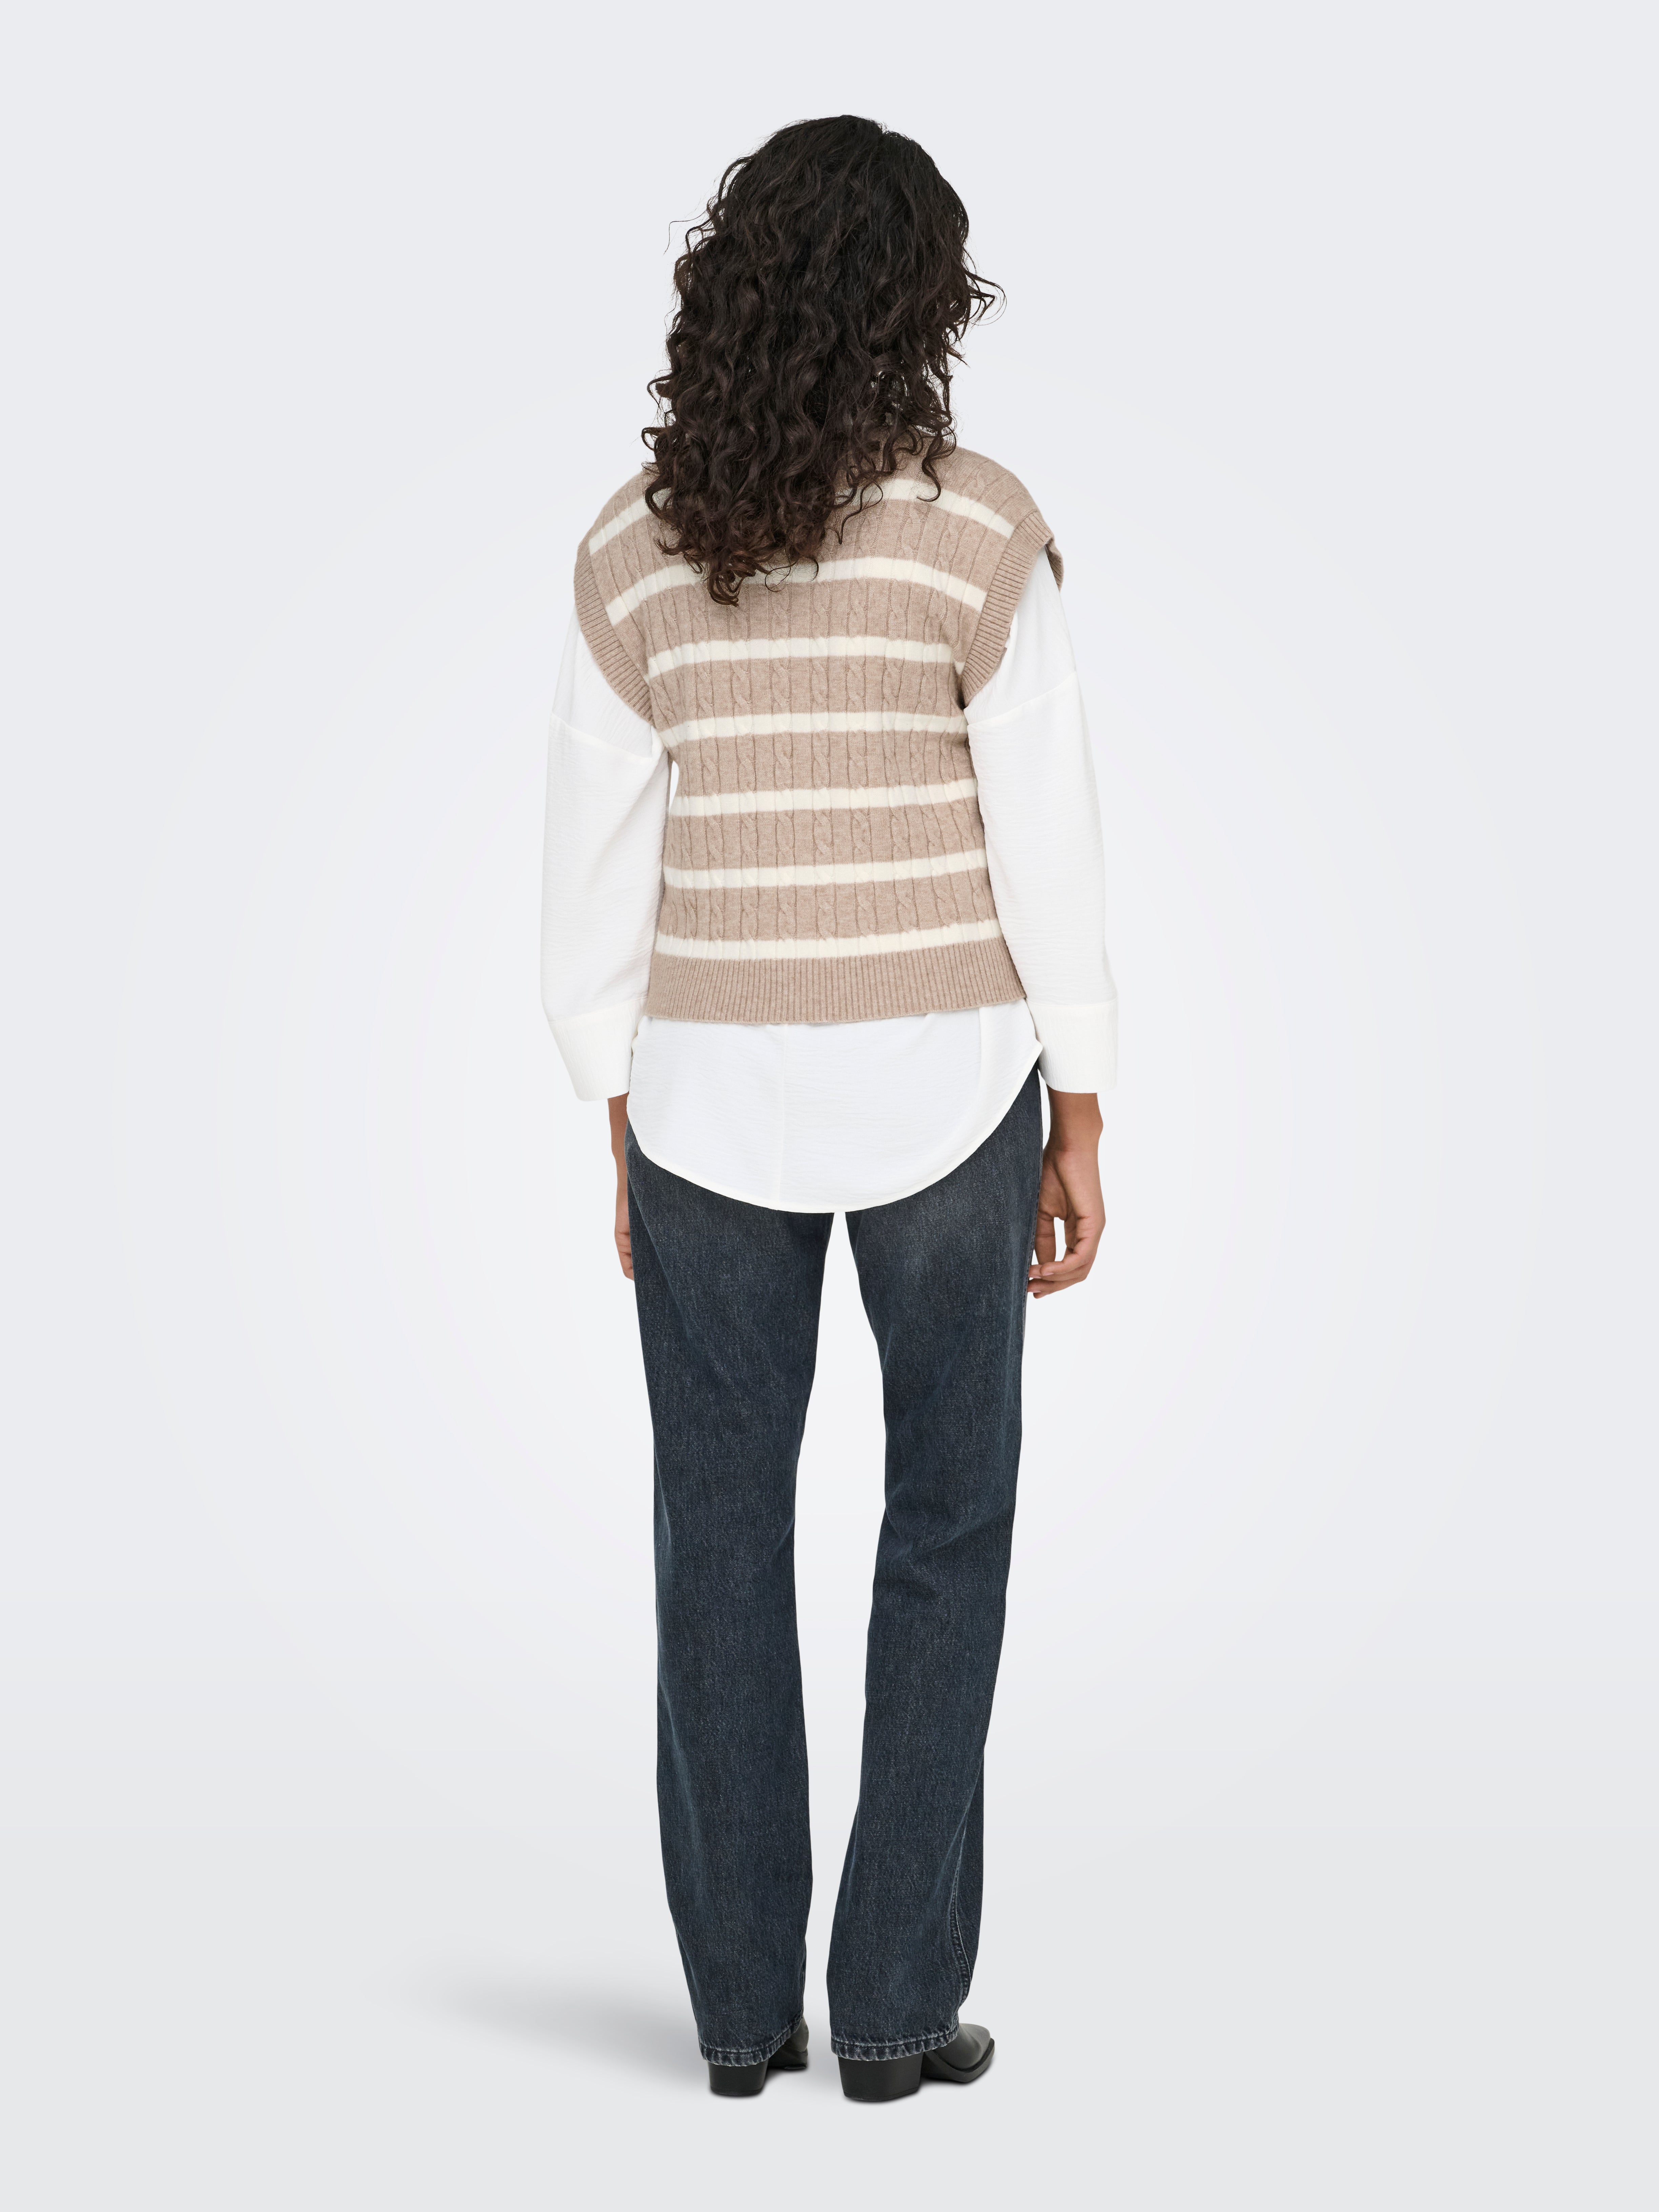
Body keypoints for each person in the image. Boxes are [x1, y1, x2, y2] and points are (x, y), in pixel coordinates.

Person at [540, 115, 1115, 2103]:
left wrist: (615, 1102)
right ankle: (892, 2011)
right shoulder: (978, 532)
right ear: (926, 305)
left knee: (716, 1534)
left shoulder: (635, 544)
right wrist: (1085, 1099)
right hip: (952, 1082)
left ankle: (734, 2020)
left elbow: (591, 873)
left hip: (706, 1099)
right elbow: (1050, 839)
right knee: (948, 1520)